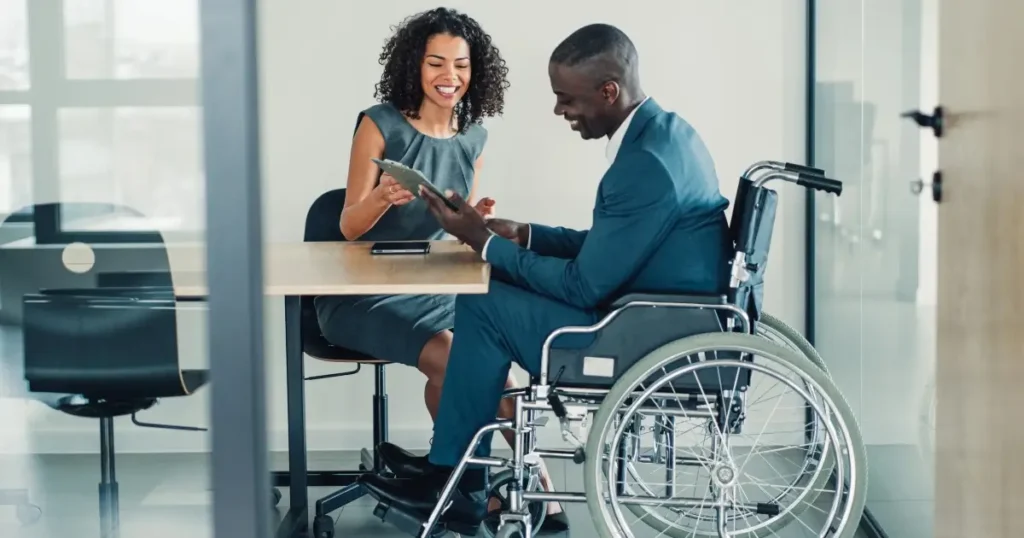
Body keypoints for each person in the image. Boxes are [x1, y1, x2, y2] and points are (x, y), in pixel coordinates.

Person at [359, 22, 733, 532]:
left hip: (636, 335)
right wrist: (527, 235)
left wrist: (483, 243)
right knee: (489, 293)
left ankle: (455, 482)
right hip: (652, 312)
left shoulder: (644, 164)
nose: (560, 110)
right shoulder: (669, 134)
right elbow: (619, 245)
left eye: (567, 98)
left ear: (608, 91)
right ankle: (455, 478)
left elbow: (583, 285)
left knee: (483, 304)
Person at [314, 7, 568, 531]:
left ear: (476, 71)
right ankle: (478, 490)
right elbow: (348, 227)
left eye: (460, 65)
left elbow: (447, 233)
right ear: (415, 65)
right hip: (360, 294)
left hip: (430, 285)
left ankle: (519, 491)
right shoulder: (379, 123)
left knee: (495, 370)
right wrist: (382, 197)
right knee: (457, 363)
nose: (449, 76)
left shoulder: (473, 138)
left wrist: (472, 218)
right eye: (436, 63)